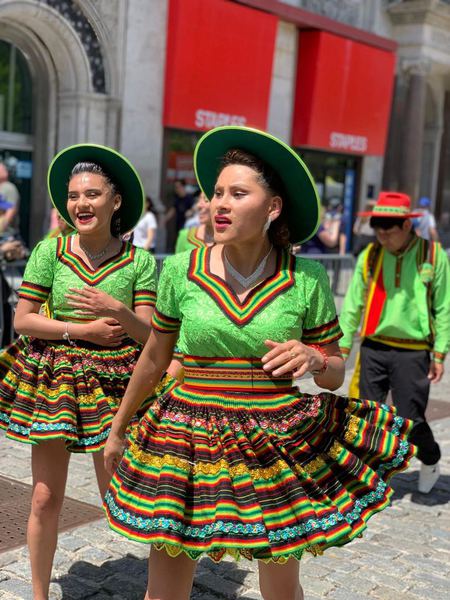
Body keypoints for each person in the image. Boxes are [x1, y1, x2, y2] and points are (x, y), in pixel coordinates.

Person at [103, 127, 415, 600]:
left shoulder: (306, 278)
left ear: (273, 207)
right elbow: (154, 358)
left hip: (275, 439)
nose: (219, 204)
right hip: (186, 435)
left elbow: (335, 374)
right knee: (164, 587)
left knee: (281, 587)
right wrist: (118, 428)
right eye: (217, 193)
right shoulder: (181, 271)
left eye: (238, 193)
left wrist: (314, 357)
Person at [0, 144, 158, 600]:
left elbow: (150, 334)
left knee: (124, 495)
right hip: (56, 380)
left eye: (92, 194)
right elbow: (23, 320)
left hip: (117, 386)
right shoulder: (50, 252)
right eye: (73, 196)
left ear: (115, 201)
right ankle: (39, 594)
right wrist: (82, 330)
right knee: (44, 497)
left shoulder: (141, 262)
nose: (81, 204)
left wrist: (116, 310)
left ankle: (161, 585)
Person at [339, 191, 450, 495]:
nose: (382, 235)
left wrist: (439, 353)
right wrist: (343, 347)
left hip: (413, 350)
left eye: (389, 229)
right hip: (373, 347)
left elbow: (444, 307)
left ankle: (430, 459)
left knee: (410, 420)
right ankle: (369, 474)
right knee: (367, 415)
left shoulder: (432, 255)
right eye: (377, 228)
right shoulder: (371, 255)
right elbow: (352, 305)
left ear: (406, 226)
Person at [0, 162, 20, 237]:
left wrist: (2, 227)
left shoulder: (8, 187)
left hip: (6, 235)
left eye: (3, 169)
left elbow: (11, 210)